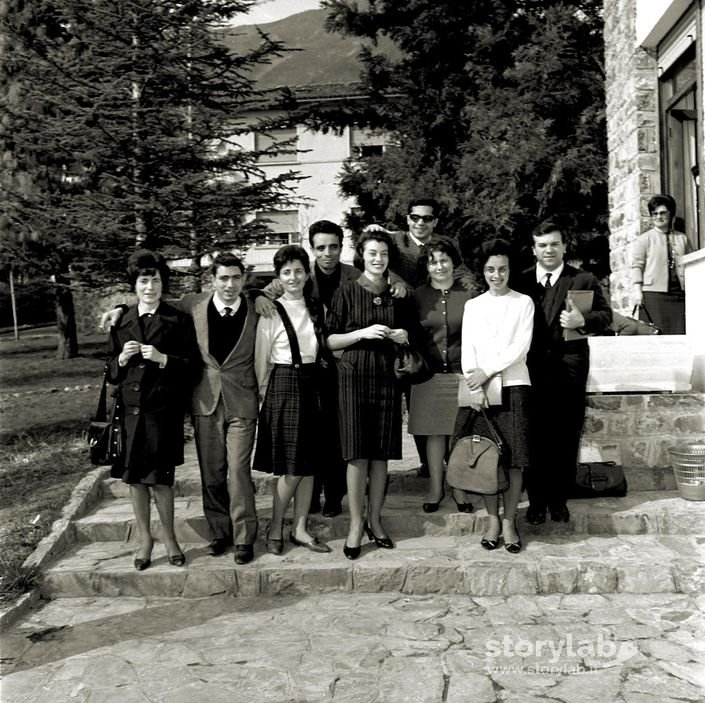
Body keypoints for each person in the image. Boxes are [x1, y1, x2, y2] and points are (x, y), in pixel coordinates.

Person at [101, 253, 261, 565]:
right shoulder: (193, 306)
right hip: (201, 402)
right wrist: (120, 311)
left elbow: (187, 360)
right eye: (223, 278)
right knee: (211, 473)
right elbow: (149, 302)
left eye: (236, 278)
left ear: (244, 280)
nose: (229, 284)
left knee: (239, 472)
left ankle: (244, 538)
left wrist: (162, 359)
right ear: (211, 280)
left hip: (236, 401)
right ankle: (219, 533)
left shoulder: (255, 308)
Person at [254, 220, 363, 517]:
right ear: (312, 249)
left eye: (333, 247)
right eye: (321, 247)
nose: (327, 253)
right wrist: (260, 296)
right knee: (311, 437)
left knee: (336, 435)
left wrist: (399, 283)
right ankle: (310, 498)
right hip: (308, 368)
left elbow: (382, 277)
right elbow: (267, 291)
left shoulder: (354, 276)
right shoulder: (301, 272)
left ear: (341, 247)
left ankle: (334, 495)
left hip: (342, 363)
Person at [365, 198, 479, 477]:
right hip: (409, 321)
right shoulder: (396, 241)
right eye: (415, 217)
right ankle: (428, 464)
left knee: (450, 409)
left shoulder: (445, 242)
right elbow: (372, 256)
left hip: (441, 318)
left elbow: (460, 267)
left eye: (427, 218)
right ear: (407, 219)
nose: (420, 223)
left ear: (435, 221)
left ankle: (453, 465)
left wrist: (470, 284)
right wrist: (397, 281)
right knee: (416, 399)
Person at [326, 230, 422, 559]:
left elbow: (413, 334)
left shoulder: (398, 293)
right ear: (361, 256)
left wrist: (402, 334)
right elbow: (330, 341)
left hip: (385, 376)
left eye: (383, 253)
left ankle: (375, 520)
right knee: (357, 453)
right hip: (353, 375)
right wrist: (361, 333)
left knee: (380, 454)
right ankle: (355, 525)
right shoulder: (346, 292)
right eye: (372, 253)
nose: (378, 258)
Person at [106, 250, 199, 570]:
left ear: (163, 282)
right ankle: (145, 541)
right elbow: (110, 370)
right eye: (144, 281)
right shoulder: (122, 321)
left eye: (155, 280)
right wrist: (119, 360)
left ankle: (170, 538)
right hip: (131, 413)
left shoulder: (177, 320)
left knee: (161, 480)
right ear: (134, 285)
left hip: (163, 412)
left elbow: (193, 368)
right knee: (135, 480)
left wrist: (163, 359)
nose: (150, 287)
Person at [516, 221, 612, 525]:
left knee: (566, 435)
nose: (548, 250)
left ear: (564, 246)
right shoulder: (520, 281)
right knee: (533, 436)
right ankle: (536, 501)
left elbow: (606, 316)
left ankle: (559, 500)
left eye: (554, 244)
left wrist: (581, 319)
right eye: (542, 245)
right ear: (534, 249)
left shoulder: (582, 279)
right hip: (529, 372)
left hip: (569, 370)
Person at [452, 239, 534, 552]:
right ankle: (492, 520)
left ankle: (511, 521)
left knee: (513, 461)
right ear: (482, 271)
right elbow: (468, 348)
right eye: (490, 269)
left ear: (510, 270)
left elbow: (520, 347)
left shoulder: (523, 303)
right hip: (480, 391)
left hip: (514, 387)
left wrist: (488, 372)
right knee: (487, 459)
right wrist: (476, 384)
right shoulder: (474, 306)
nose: (496, 275)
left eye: (501, 269)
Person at [253, 245, 331, 555]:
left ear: (307, 273)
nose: (293, 277)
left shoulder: (317, 307)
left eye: (299, 271)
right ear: (278, 277)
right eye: (286, 272)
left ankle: (299, 528)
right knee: (293, 466)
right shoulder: (271, 311)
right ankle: (275, 524)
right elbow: (262, 360)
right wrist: (262, 396)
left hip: (314, 383)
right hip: (284, 383)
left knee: (310, 464)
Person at [408, 236, 475, 513]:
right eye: (433, 262)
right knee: (434, 435)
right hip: (428, 376)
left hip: (461, 374)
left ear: (453, 263)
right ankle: (436, 489)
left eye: (444, 260)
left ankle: (459, 489)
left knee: (458, 435)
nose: (439, 266)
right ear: (427, 266)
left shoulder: (469, 295)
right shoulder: (416, 296)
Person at [631, 194, 692, 334]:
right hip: (654, 295)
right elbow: (637, 266)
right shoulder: (644, 239)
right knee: (656, 336)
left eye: (663, 212)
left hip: (679, 294)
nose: (659, 217)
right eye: (655, 213)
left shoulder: (682, 238)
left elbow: (691, 263)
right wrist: (637, 292)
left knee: (680, 334)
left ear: (670, 214)